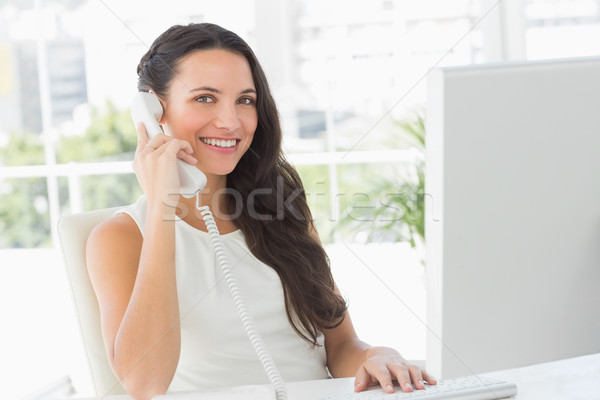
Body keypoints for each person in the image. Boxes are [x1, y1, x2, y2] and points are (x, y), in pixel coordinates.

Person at [86, 22, 436, 400]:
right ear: (154, 112)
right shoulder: (118, 238)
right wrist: (162, 209)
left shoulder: (281, 208)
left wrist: (376, 356)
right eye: (205, 98)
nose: (231, 121)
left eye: (245, 100)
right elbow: (145, 384)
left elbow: (340, 346)